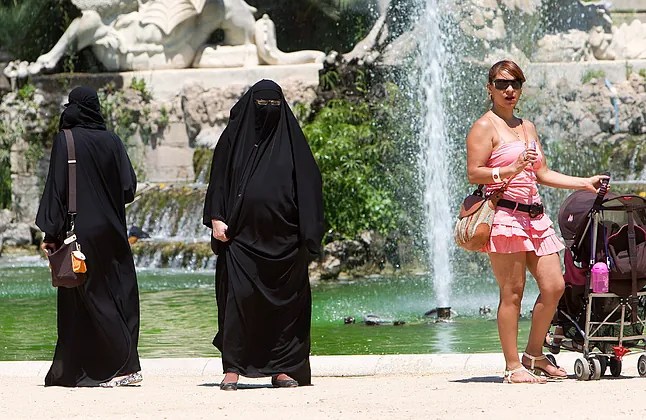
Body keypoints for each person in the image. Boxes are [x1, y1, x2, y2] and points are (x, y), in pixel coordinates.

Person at [465, 60, 608, 384]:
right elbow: (474, 173)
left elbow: (541, 173)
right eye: (502, 84)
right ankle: (513, 366)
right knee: (512, 292)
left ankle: (534, 354)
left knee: (555, 286)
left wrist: (584, 183)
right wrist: (510, 169)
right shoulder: (484, 126)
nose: (509, 90)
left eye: (515, 83)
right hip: (505, 217)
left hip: (535, 217)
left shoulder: (526, 126)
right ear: (490, 88)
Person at [203, 79, 324, 390]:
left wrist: (308, 234)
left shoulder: (292, 142)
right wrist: (216, 218)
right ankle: (233, 368)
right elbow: (218, 181)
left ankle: (282, 369)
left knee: (286, 308)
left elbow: (310, 185)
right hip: (239, 240)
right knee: (238, 302)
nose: (268, 110)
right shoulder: (232, 140)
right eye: (262, 104)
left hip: (285, 243)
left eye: (273, 104)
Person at [36, 86, 142, 388]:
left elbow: (56, 189)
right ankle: (113, 366)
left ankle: (124, 367)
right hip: (113, 230)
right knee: (118, 295)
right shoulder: (113, 140)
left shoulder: (66, 140)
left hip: (80, 233)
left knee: (90, 298)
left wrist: (51, 233)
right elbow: (128, 189)